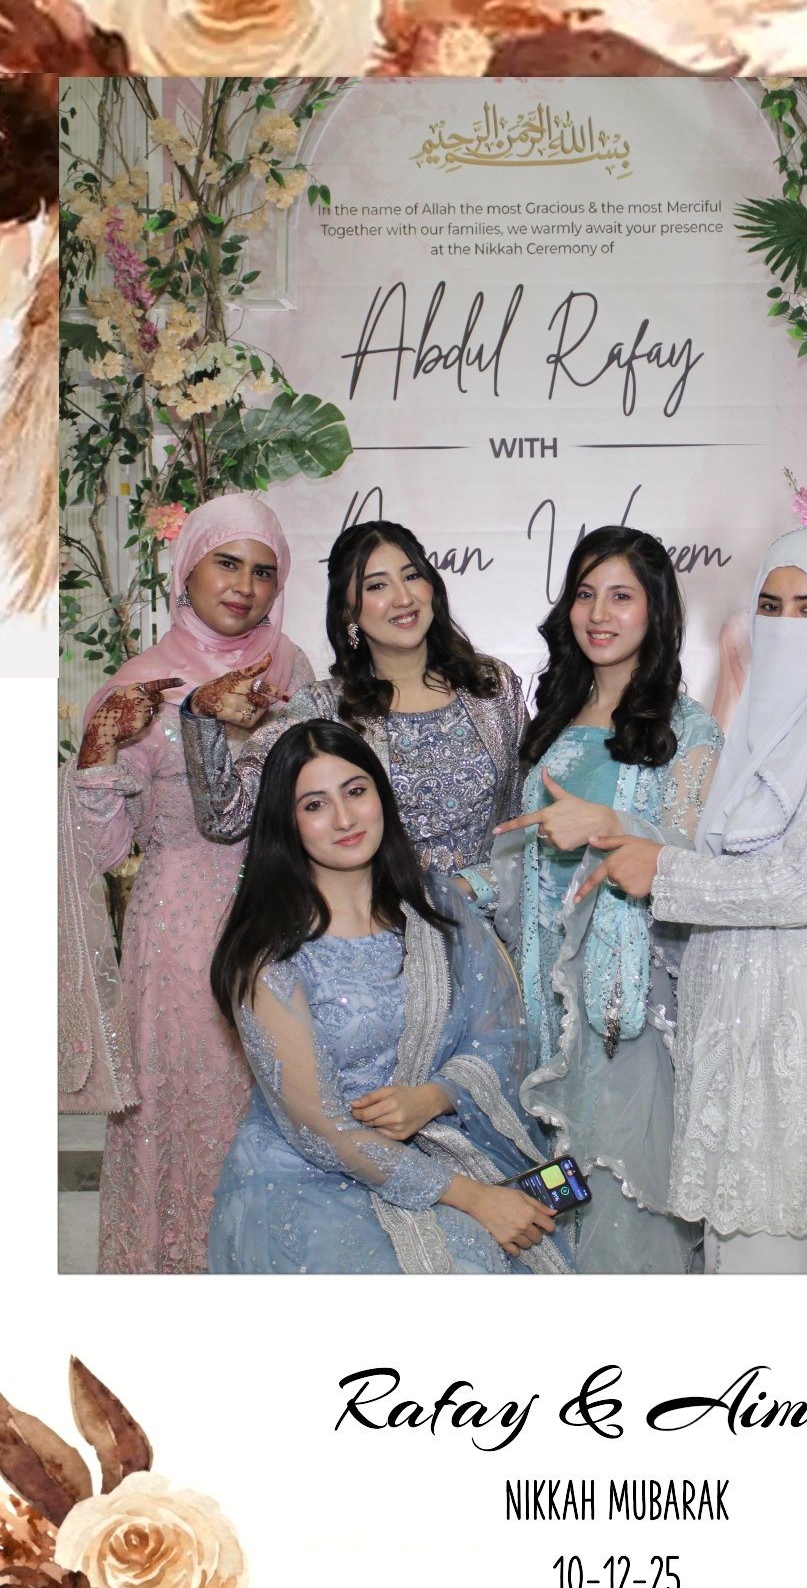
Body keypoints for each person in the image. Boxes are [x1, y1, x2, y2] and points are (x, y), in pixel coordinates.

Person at [579, 526, 807, 1275]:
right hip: (747, 1022)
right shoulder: (766, 733)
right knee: (765, 1264)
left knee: (767, 1268)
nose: (785, 626)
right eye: (770, 606)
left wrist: (662, 872)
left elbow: (803, 883)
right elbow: (724, 860)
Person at [208, 720, 573, 1275]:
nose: (345, 818)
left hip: (440, 1140)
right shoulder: (270, 955)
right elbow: (321, 1130)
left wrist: (435, 1096)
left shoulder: (436, 911)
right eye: (315, 805)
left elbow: (500, 1037)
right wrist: (474, 1198)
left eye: (356, 791)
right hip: (310, 1179)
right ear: (286, 823)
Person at [58, 493, 313, 1273]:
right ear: (188, 569)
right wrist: (100, 751)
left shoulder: (291, 667)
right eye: (226, 563)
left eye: (263, 572)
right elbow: (103, 847)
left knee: (286, 1113)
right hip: (181, 940)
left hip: (287, 927)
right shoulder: (144, 685)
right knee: (187, 1121)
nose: (244, 586)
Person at [469, 526, 722, 1275]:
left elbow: (695, 866)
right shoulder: (553, 721)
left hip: (624, 1011)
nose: (599, 614)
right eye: (585, 595)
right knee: (553, 1186)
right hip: (541, 1000)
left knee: (617, 1188)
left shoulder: (687, 730)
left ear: (656, 611)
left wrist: (612, 825)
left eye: (621, 596)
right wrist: (450, 890)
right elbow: (523, 861)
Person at [181, 519, 525, 873]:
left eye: (411, 576)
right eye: (377, 586)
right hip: (379, 908)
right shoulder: (324, 708)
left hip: (491, 906)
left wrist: (482, 889)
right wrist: (201, 713)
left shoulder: (490, 685)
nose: (404, 598)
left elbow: (526, 815)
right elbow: (226, 818)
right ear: (347, 611)